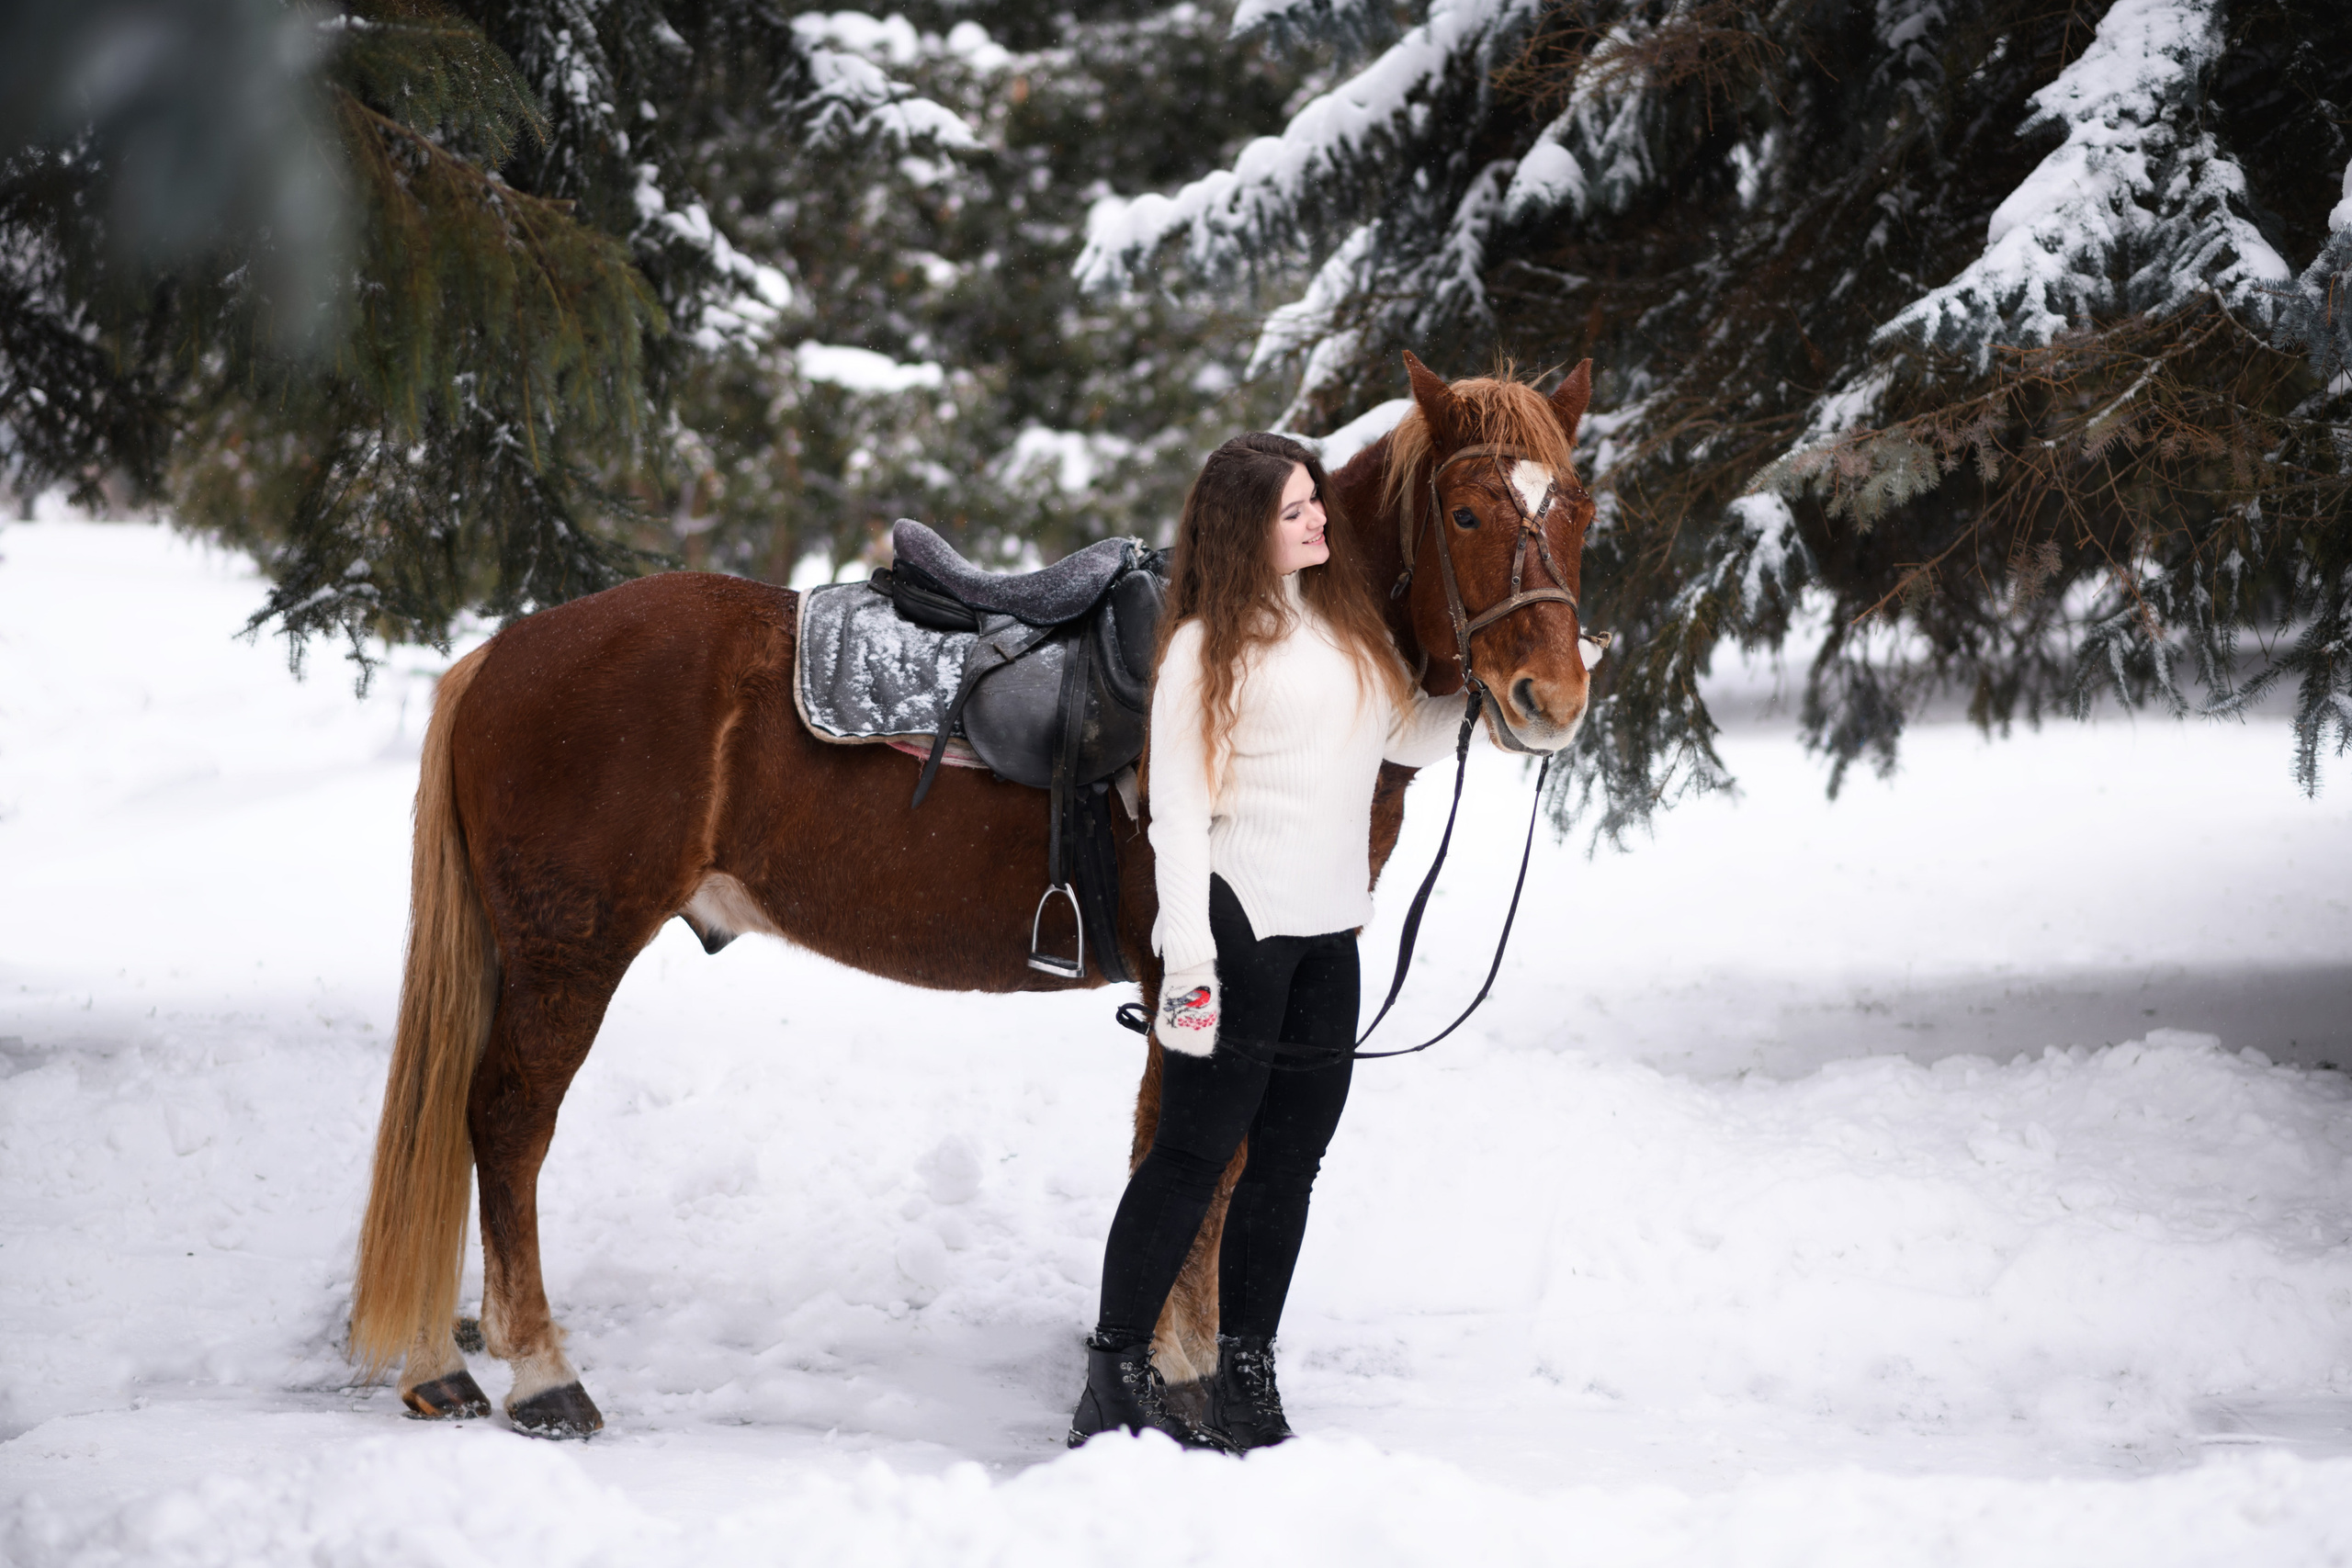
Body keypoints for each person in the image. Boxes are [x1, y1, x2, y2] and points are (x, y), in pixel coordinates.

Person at [1068, 432, 1464, 1452]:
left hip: (1332, 932)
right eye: (1296, 511)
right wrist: (1190, 963)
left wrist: (1502, 694)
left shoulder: (1347, 631)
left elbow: (1402, 735)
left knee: (1289, 1165)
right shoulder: (1205, 646)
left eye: (1316, 504)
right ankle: (1113, 1370)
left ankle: (1247, 1367)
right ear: (1247, 526)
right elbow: (1179, 817)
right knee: (1193, 1155)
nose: (1319, 522)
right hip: (1238, 928)